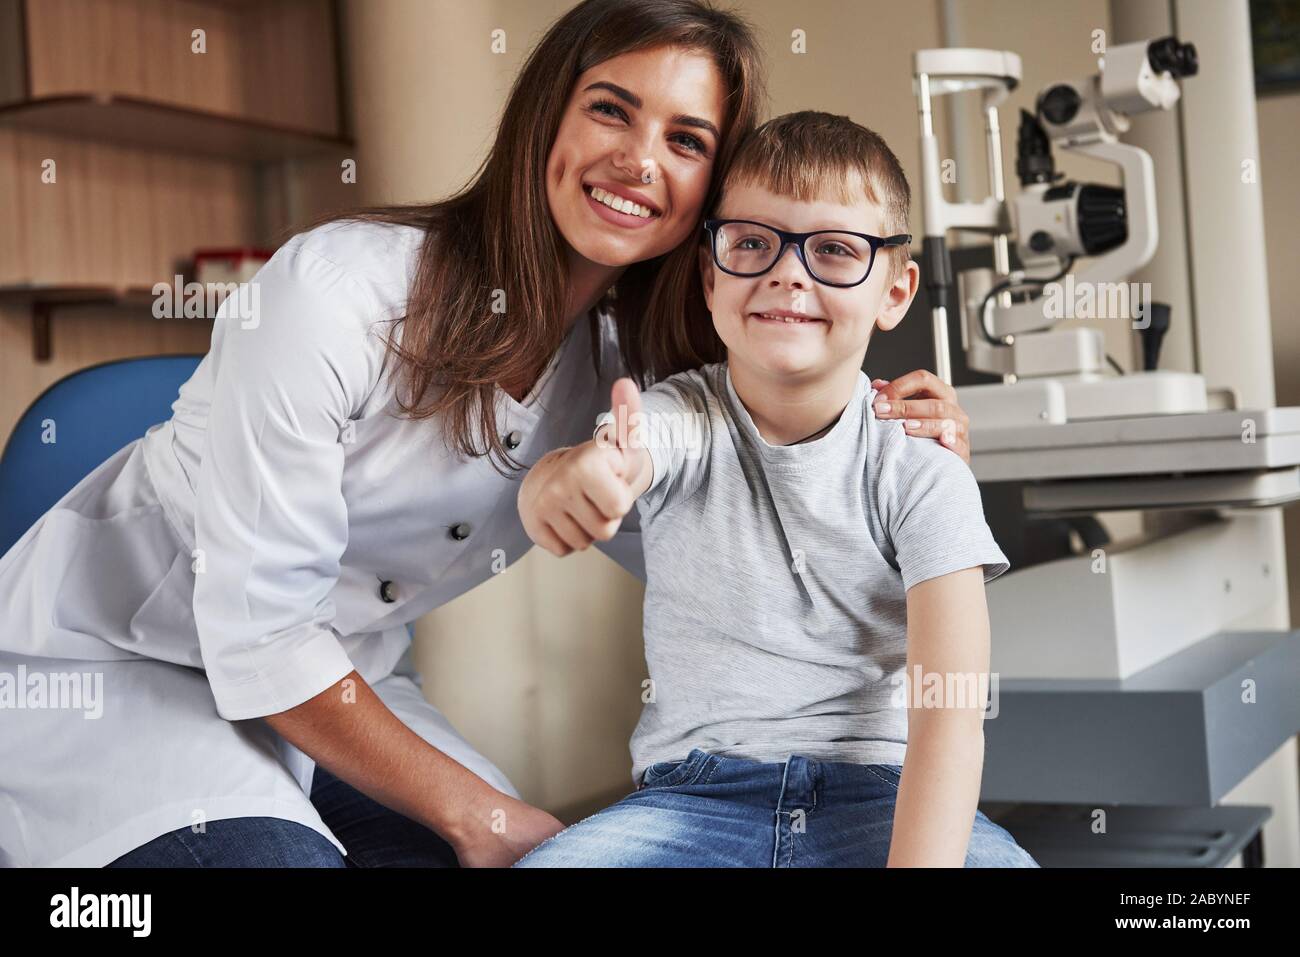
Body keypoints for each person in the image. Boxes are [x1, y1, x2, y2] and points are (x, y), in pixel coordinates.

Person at [0, 1, 973, 869]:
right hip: (119, 676)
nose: (638, 161)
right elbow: (259, 635)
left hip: (346, 688)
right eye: (610, 109)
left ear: (710, 194)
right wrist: (478, 814)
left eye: (686, 140)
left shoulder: (621, 372)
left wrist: (873, 442)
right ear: (545, 114)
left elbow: (737, 548)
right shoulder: (337, 292)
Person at [514, 111, 1036, 867]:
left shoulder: (919, 462)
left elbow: (950, 714)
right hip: (694, 797)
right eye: (753, 244)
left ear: (896, 290)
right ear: (709, 272)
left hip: (880, 794)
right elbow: (614, 458)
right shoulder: (678, 418)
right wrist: (575, 478)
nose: (787, 274)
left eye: (833, 250)